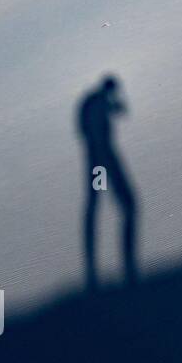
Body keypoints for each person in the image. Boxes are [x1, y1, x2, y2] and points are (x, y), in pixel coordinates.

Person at [77, 75, 139, 288]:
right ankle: (126, 265)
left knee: (97, 208)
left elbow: (120, 110)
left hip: (97, 162)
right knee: (127, 205)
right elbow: (98, 135)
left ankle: (95, 268)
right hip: (103, 162)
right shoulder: (98, 103)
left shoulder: (94, 101)